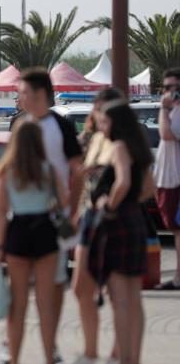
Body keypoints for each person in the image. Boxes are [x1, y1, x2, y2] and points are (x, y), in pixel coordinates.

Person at [17, 68, 83, 364]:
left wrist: (75, 209)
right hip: (22, 218)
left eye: (23, 92)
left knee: (54, 286)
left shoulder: (61, 125)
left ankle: (49, 344)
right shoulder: (21, 126)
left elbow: (77, 169)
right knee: (20, 289)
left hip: (55, 220)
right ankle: (12, 343)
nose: (19, 97)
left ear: (41, 93)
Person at [0, 120, 68, 364]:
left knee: (18, 303)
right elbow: (64, 201)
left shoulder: (7, 171)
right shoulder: (48, 169)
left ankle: (13, 358)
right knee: (45, 304)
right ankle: (49, 357)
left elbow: (1, 213)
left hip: (18, 233)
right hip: (44, 230)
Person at [88, 100, 154, 364]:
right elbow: (149, 188)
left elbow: (123, 182)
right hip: (135, 220)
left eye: (104, 121)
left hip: (118, 223)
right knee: (134, 296)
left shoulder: (118, 147)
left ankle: (126, 358)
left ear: (116, 123)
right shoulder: (139, 149)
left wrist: (109, 205)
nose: (100, 126)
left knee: (120, 296)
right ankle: (133, 357)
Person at [71, 88, 124, 364]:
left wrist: (113, 204)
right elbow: (84, 178)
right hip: (88, 215)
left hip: (113, 218)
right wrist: (78, 209)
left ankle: (117, 349)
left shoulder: (122, 142)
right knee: (80, 285)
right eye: (97, 108)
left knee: (115, 289)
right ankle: (90, 350)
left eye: (104, 109)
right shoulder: (90, 139)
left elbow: (135, 184)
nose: (98, 114)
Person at [153, 67, 180, 290]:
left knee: (178, 230)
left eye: (175, 88)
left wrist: (162, 108)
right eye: (167, 88)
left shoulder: (174, 113)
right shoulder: (173, 112)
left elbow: (166, 134)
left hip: (177, 182)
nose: (170, 93)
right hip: (167, 180)